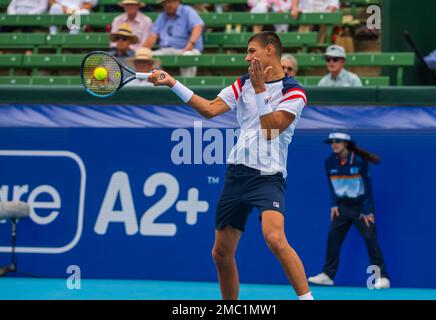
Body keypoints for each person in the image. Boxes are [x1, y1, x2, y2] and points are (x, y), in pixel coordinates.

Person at [147, 31, 313, 300]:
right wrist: (173, 83)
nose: (247, 57)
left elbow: (271, 131)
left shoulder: (293, 91)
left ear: (270, 50)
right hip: (236, 174)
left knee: (275, 239)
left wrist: (260, 89)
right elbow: (210, 109)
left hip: (267, 177)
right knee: (221, 253)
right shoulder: (243, 83)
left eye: (251, 51)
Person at [308, 132, 390, 289]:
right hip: (341, 208)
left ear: (346, 144)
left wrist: (367, 210)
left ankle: (383, 277)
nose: (334, 144)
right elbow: (331, 185)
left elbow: (367, 187)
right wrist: (333, 204)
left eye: (337, 141)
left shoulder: (359, 161)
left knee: (370, 240)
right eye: (332, 142)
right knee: (333, 238)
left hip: (361, 209)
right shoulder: (329, 161)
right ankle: (328, 275)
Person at [142, 0, 205, 77]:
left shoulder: (187, 11)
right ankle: (161, 82)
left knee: (188, 56)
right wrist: (142, 51)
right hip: (165, 50)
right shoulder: (162, 16)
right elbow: (153, 36)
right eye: (164, 3)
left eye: (170, 1)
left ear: (177, 1)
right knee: (147, 57)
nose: (167, 5)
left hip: (186, 49)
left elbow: (198, 26)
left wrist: (190, 44)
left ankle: (187, 85)